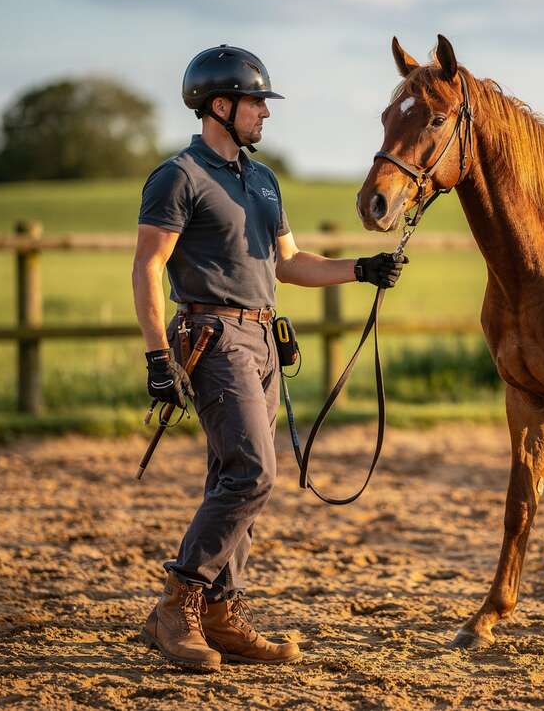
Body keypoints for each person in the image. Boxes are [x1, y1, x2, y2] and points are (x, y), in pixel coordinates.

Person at [131, 44, 406, 672]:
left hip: (262, 341)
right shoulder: (178, 176)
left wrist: (360, 269)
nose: (265, 113)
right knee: (254, 473)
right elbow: (148, 267)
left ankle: (222, 614)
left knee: (231, 478)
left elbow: (290, 263)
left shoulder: (262, 178)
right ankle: (176, 605)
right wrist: (155, 353)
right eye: (256, 102)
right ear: (219, 106)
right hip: (211, 337)